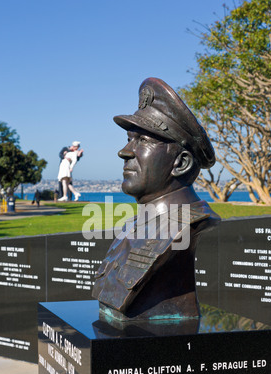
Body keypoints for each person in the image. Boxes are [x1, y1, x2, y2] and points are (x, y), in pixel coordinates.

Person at [92, 77, 221, 323]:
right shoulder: (133, 225)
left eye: (142, 141)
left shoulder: (183, 227)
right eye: (129, 139)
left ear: (180, 163)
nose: (125, 151)